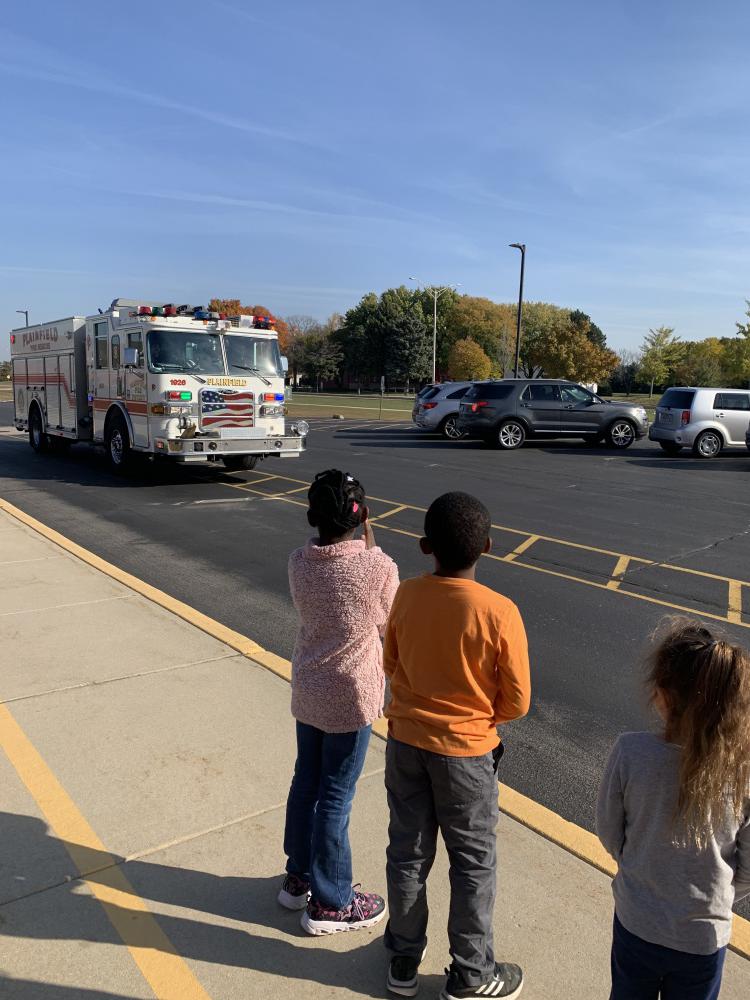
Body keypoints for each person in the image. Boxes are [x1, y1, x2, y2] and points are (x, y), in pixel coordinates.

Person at [382, 491, 531, 999]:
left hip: (405, 741)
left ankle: (402, 957)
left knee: (407, 851)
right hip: (466, 753)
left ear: (425, 547)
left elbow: (391, 663)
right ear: (487, 546)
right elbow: (516, 700)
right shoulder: (499, 611)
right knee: (471, 863)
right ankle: (471, 972)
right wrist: (480, 717)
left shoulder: (405, 594)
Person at [596, 618, 750, 1000]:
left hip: (638, 921)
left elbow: (609, 831)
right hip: (704, 936)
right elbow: (749, 865)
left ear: (662, 694)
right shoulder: (742, 770)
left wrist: (639, 863)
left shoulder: (631, 752)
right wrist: (721, 894)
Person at [279, 469, 399, 935]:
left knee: (305, 782)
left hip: (309, 689)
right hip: (351, 696)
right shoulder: (377, 568)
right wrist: (375, 547)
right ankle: (333, 902)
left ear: (312, 516)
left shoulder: (299, 562)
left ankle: (299, 877)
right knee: (335, 796)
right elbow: (389, 621)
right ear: (364, 516)